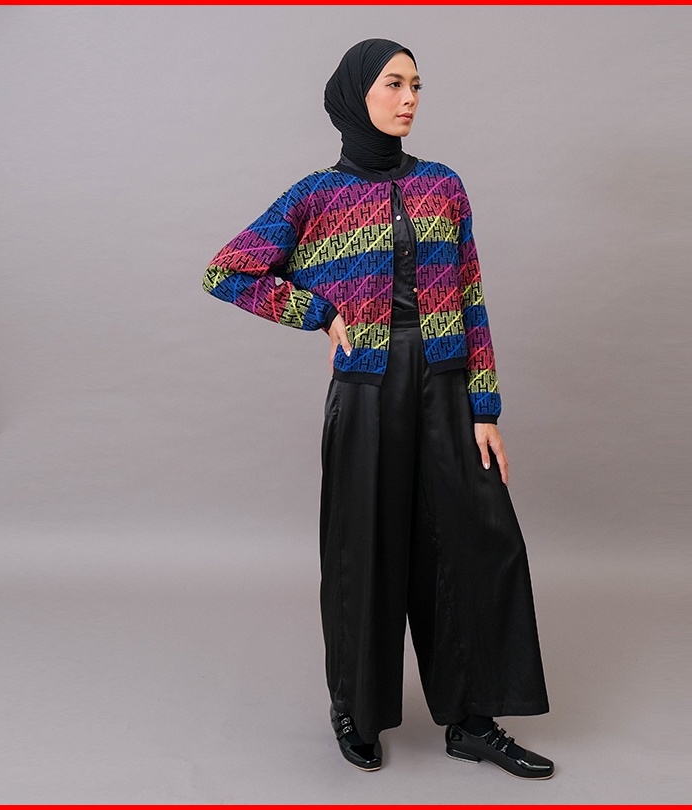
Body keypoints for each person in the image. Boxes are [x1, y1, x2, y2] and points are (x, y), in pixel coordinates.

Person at [203, 38, 554, 780]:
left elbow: (471, 296)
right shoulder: (316, 196)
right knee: (363, 548)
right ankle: (355, 710)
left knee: (475, 541)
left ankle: (472, 719)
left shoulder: (443, 186)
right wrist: (319, 314)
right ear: (355, 94)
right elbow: (227, 271)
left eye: (416, 85)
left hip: (447, 383)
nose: (409, 99)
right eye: (394, 84)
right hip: (367, 390)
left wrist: (486, 407)